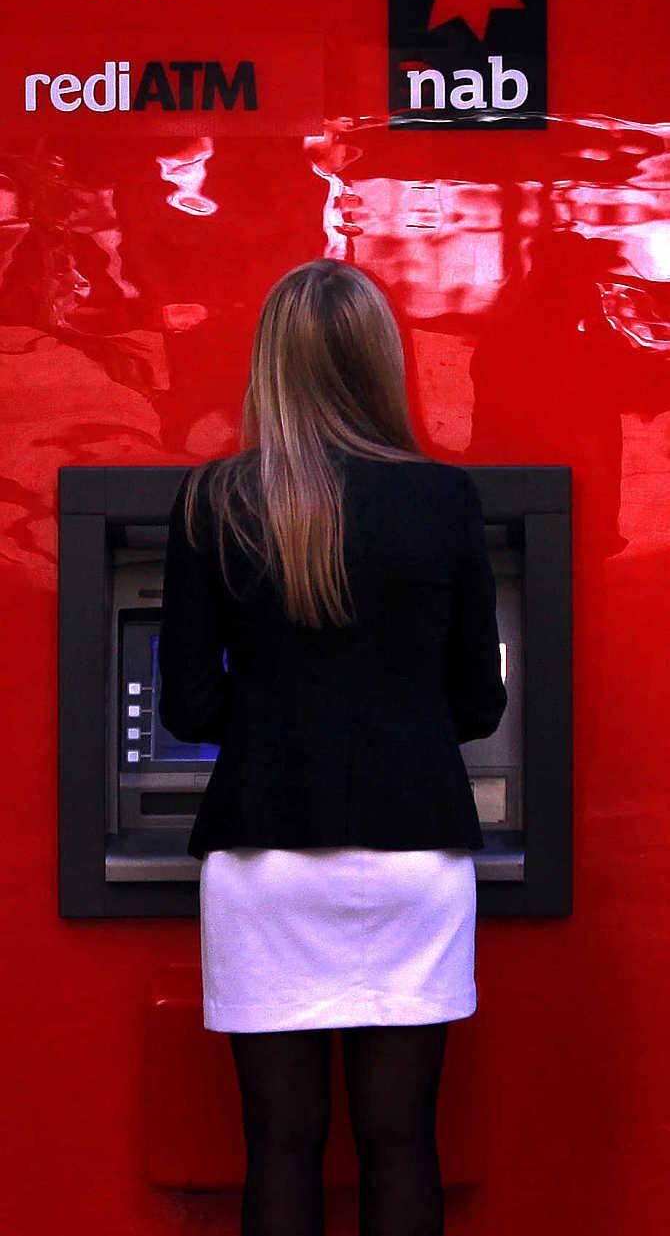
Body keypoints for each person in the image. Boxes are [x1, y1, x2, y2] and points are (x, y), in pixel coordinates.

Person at [157, 257, 507, 1236]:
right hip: (412, 854)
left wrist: (282, 717)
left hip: (265, 860)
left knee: (279, 1142)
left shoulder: (213, 501)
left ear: (274, 365)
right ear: (378, 365)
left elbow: (186, 706)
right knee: (402, 1140)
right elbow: (477, 703)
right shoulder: (444, 501)